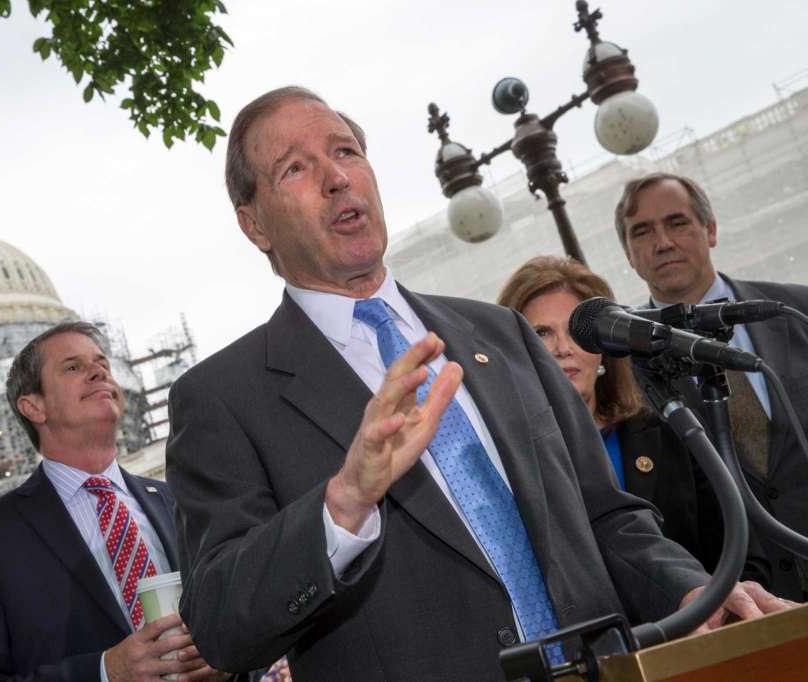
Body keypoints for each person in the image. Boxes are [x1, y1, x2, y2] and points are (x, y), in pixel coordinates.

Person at [164, 87, 788, 681]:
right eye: (295, 168)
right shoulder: (221, 399)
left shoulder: (501, 334)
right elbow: (220, 626)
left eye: (346, 150)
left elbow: (605, 516)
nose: (337, 177)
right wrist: (344, 504)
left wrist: (690, 587)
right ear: (255, 225)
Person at [0, 321, 230, 681]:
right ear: (34, 407)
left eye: (102, 363)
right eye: (73, 367)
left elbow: (241, 625)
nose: (98, 372)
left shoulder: (177, 502)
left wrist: (227, 662)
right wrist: (104, 673)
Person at [497, 255, 769, 583]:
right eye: (541, 333)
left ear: (603, 347)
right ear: (514, 350)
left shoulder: (668, 428)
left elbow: (742, 555)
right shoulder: (510, 460)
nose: (563, 348)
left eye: (574, 330)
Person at [616, 172, 808, 601]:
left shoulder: (794, 311)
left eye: (677, 222)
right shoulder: (627, 369)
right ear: (629, 255)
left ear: (712, 230)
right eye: (642, 232)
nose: (662, 242)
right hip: (748, 607)